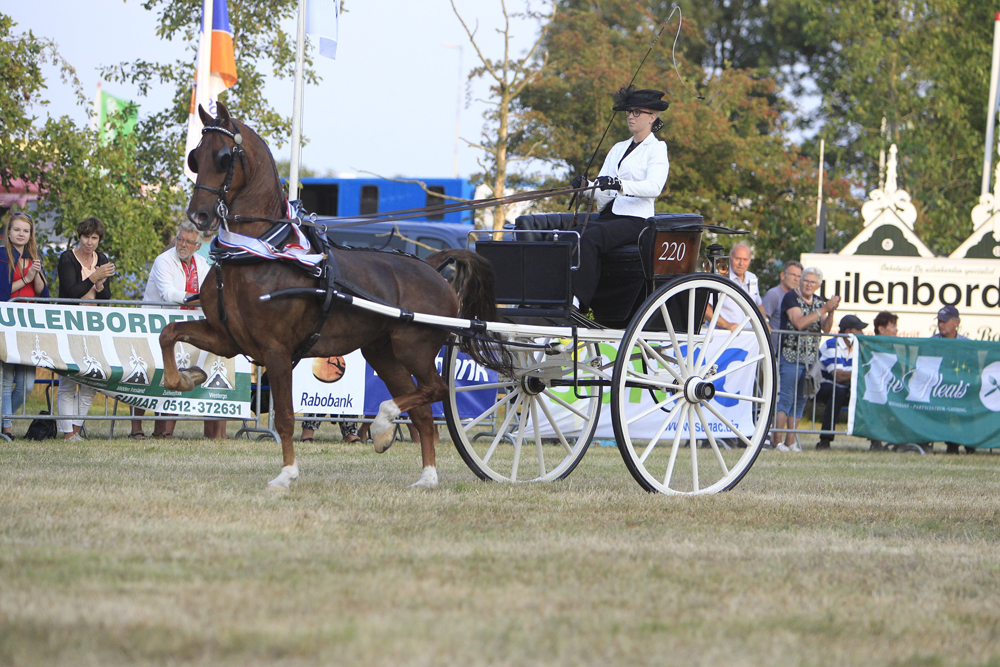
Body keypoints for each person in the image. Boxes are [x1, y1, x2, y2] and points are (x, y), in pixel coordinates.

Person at [570, 85, 669, 311]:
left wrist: (621, 184)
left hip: (636, 220)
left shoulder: (656, 149)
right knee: (569, 237)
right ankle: (557, 295)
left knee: (591, 238)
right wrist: (585, 188)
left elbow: (654, 187)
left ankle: (577, 303)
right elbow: (604, 186)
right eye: (628, 112)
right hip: (609, 215)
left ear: (652, 116)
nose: (630, 117)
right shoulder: (618, 148)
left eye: (636, 112)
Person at [131, 222, 215, 439]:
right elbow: (168, 293)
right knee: (147, 374)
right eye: (180, 239)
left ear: (198, 245)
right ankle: (136, 429)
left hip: (181, 327)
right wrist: (195, 297)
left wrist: (203, 298)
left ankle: (164, 431)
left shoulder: (202, 262)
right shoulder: (164, 260)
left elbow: (209, 291)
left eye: (188, 241)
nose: (183, 245)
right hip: (153, 325)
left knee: (178, 373)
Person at [56, 217, 115, 441]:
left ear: (99, 239)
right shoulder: (67, 258)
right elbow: (70, 292)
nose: (89, 242)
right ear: (79, 236)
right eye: (85, 237)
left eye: (94, 238)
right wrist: (94, 277)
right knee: (69, 380)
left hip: (94, 325)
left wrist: (100, 284)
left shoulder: (103, 259)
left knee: (91, 379)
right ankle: (67, 433)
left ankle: (76, 429)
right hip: (70, 323)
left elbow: (106, 296)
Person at [771, 267, 840, 452]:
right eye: (806, 280)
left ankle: (790, 442)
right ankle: (776, 441)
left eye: (812, 282)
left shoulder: (818, 302)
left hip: (810, 359)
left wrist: (831, 312)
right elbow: (799, 323)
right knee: (786, 398)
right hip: (790, 355)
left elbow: (825, 328)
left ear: (818, 285)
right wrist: (824, 309)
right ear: (800, 281)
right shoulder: (790, 298)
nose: (808, 284)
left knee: (801, 400)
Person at [0, 211, 50, 439]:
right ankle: (7, 428)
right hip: (8, 325)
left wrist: (36, 275)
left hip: (29, 325)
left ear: (31, 235)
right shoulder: (2, 256)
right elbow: (3, 292)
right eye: (17, 229)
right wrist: (26, 278)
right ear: (8, 232)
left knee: (27, 384)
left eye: (25, 231)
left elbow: (43, 294)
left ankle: (3, 420)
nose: (21, 234)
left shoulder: (34, 257)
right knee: (7, 378)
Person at [815, 314, 867, 450]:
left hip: (847, 387)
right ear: (849, 332)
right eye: (859, 330)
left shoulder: (858, 347)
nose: (862, 333)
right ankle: (825, 440)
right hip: (823, 386)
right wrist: (861, 374)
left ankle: (875, 441)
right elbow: (837, 376)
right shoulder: (832, 344)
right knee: (837, 392)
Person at [932, 305, 972, 454]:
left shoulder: (968, 344)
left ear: (956, 322)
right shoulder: (931, 342)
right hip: (939, 387)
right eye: (939, 321)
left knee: (967, 414)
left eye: (944, 321)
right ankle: (951, 445)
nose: (941, 324)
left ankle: (970, 444)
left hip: (962, 386)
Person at [710, 242, 762, 331]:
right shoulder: (721, 276)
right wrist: (727, 325)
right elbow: (706, 309)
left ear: (750, 260)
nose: (741, 263)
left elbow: (758, 304)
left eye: (745, 259)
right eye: (738, 259)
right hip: (723, 335)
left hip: (748, 338)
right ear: (730, 257)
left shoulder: (752, 278)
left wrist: (765, 322)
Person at [762, 260, 802, 350]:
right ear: (782, 276)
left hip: (792, 352)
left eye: (799, 276)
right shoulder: (773, 294)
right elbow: (762, 318)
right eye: (793, 275)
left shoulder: (800, 297)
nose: (796, 279)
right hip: (774, 352)